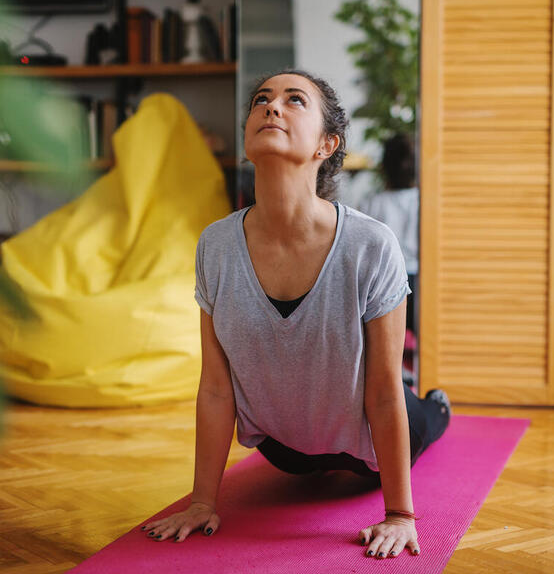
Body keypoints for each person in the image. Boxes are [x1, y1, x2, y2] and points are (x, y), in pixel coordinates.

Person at [141, 69, 451, 561]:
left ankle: (439, 408)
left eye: (294, 100)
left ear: (327, 144)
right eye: (262, 99)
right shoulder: (215, 245)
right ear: (246, 139)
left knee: (420, 414)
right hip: (282, 447)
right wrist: (202, 501)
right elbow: (217, 387)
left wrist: (400, 515)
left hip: (368, 440)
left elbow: (383, 392)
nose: (271, 106)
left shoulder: (371, 245)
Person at [357, 133, 419, 337]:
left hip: (381, 286)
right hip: (419, 281)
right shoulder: (423, 201)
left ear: (384, 167)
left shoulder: (370, 204)